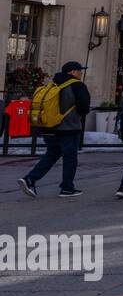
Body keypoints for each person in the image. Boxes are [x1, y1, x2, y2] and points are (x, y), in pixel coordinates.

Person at [18, 61, 91, 198]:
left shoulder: (52, 84)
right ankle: (67, 188)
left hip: (49, 127)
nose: (81, 72)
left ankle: (30, 179)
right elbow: (84, 107)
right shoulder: (77, 86)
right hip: (69, 128)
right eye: (79, 70)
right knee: (70, 157)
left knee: (51, 155)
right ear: (72, 72)